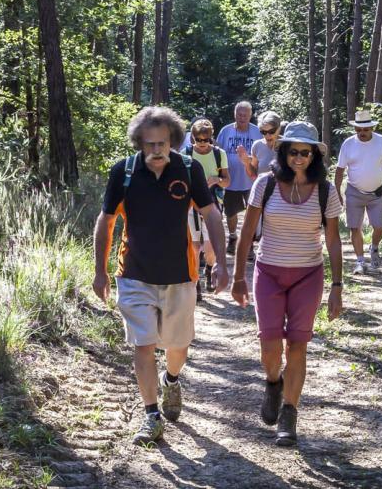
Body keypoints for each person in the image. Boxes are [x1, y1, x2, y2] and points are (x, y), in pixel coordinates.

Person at [94, 107, 231, 447]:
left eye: (163, 143)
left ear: (174, 142)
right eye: (150, 144)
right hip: (134, 273)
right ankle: (151, 414)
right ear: (139, 142)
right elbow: (106, 221)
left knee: (177, 344)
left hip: (180, 274)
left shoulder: (188, 169)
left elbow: (210, 214)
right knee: (143, 343)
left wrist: (221, 262)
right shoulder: (123, 173)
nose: (156, 150)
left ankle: (171, 379)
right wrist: (100, 271)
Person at [232, 121, 345, 447]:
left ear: (314, 155)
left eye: (305, 153)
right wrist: (239, 277)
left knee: (298, 344)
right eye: (293, 152)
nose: (299, 158)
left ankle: (289, 415)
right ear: (283, 152)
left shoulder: (326, 190)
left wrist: (337, 287)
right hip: (268, 272)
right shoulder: (265, 185)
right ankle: (272, 383)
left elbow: (334, 241)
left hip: (308, 275)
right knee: (269, 345)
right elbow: (246, 233)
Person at [333, 110, 382, 275]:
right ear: (355, 129)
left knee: (380, 226)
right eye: (359, 130)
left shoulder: (381, 141)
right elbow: (340, 170)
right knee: (355, 227)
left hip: (378, 192)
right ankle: (360, 262)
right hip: (354, 191)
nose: (362, 133)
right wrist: (338, 192)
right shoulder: (348, 144)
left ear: (372, 128)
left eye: (365, 130)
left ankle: (374, 247)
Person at [187, 118, 229, 299]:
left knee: (210, 247)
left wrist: (217, 180)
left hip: (213, 204)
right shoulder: (186, 154)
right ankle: (194, 283)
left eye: (206, 140)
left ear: (211, 138)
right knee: (194, 247)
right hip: (190, 206)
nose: (203, 143)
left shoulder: (219, 154)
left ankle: (210, 268)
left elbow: (227, 180)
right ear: (193, 138)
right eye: (199, 140)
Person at [215, 101, 261, 254]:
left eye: (245, 115)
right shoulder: (226, 131)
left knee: (253, 213)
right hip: (231, 181)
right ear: (235, 115)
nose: (242, 118)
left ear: (250, 116)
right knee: (230, 213)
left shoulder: (257, 132)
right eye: (239, 115)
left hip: (252, 181)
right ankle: (233, 236)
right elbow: (217, 152)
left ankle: (249, 246)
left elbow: (262, 154)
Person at [243, 111, 283, 180]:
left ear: (279, 128)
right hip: (263, 189)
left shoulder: (288, 145)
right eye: (264, 132)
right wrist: (246, 163)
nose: (267, 135)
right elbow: (253, 175)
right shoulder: (257, 146)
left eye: (271, 131)